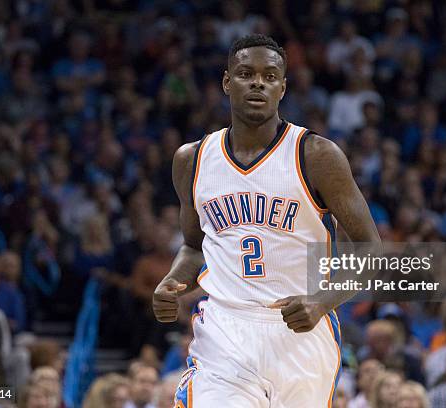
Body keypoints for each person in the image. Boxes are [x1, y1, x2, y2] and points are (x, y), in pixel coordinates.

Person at [153, 34, 380, 407]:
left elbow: (371, 248)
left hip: (301, 333)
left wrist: (323, 301)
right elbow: (195, 247)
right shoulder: (192, 160)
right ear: (227, 82)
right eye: (245, 73)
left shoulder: (317, 155)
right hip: (225, 329)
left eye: (270, 76)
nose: (258, 82)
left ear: (283, 87)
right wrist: (174, 280)